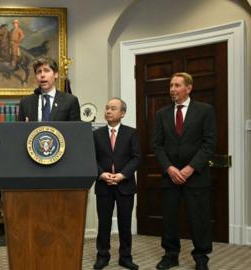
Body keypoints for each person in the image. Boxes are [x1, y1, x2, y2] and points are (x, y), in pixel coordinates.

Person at [153, 72, 216, 270]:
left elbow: (209, 144)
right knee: (170, 218)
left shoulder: (205, 111)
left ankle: (201, 257)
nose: (172, 89)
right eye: (171, 85)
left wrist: (190, 168)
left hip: (196, 176)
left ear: (188, 88)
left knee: (199, 218)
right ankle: (170, 255)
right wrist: (170, 168)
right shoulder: (161, 114)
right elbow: (157, 145)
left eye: (177, 85)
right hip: (170, 176)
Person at [93, 98, 141, 270]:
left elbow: (136, 158)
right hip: (104, 185)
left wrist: (123, 175)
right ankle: (102, 255)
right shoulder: (96, 134)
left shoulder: (131, 133)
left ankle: (125, 257)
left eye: (113, 108)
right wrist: (101, 174)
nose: (108, 111)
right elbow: (92, 159)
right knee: (103, 223)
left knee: (125, 223)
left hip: (125, 185)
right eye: (107, 108)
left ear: (122, 113)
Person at [18, 56, 80, 121]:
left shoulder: (70, 101)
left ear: (56, 74)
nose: (42, 75)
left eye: (46, 71)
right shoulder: (25, 102)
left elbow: (75, 129)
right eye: (39, 72)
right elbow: (19, 129)